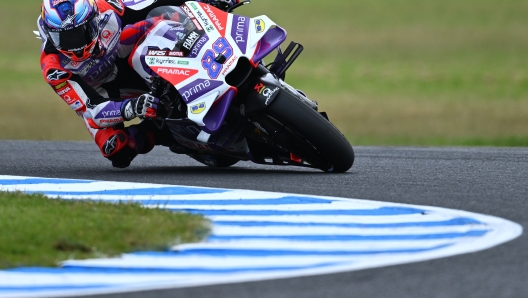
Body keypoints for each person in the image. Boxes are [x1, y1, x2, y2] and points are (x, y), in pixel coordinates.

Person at [38, 0, 239, 168]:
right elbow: (92, 111)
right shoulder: (53, 67)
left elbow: (155, 2)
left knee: (163, 23)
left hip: (125, 53)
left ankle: (214, 62)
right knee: (117, 149)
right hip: (105, 93)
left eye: (83, 31)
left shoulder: (108, 7)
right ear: (49, 34)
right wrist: (131, 108)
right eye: (65, 38)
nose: (77, 45)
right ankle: (165, 132)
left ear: (94, 18)